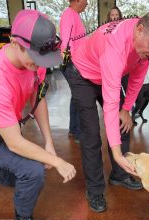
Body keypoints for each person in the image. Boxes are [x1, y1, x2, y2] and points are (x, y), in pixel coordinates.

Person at [0, 10, 76, 220]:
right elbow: (14, 142)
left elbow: (38, 98)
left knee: (28, 170)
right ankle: (22, 219)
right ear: (15, 44)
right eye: (35, 58)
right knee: (32, 171)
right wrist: (56, 161)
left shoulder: (34, 62)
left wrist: (49, 143)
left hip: (8, 123)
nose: (39, 65)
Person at [64, 10, 149, 212]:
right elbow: (110, 102)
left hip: (104, 72)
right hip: (82, 75)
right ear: (139, 30)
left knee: (124, 122)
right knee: (91, 135)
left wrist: (126, 110)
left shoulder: (144, 42)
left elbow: (137, 79)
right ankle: (95, 190)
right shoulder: (115, 48)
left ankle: (119, 174)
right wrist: (116, 152)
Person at [60, 0, 88, 144]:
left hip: (77, 63)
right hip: (72, 63)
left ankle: (73, 129)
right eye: (85, 0)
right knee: (80, 96)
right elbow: (66, 42)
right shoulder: (69, 14)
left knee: (76, 96)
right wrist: (73, 63)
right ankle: (77, 133)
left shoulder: (74, 15)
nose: (87, 3)